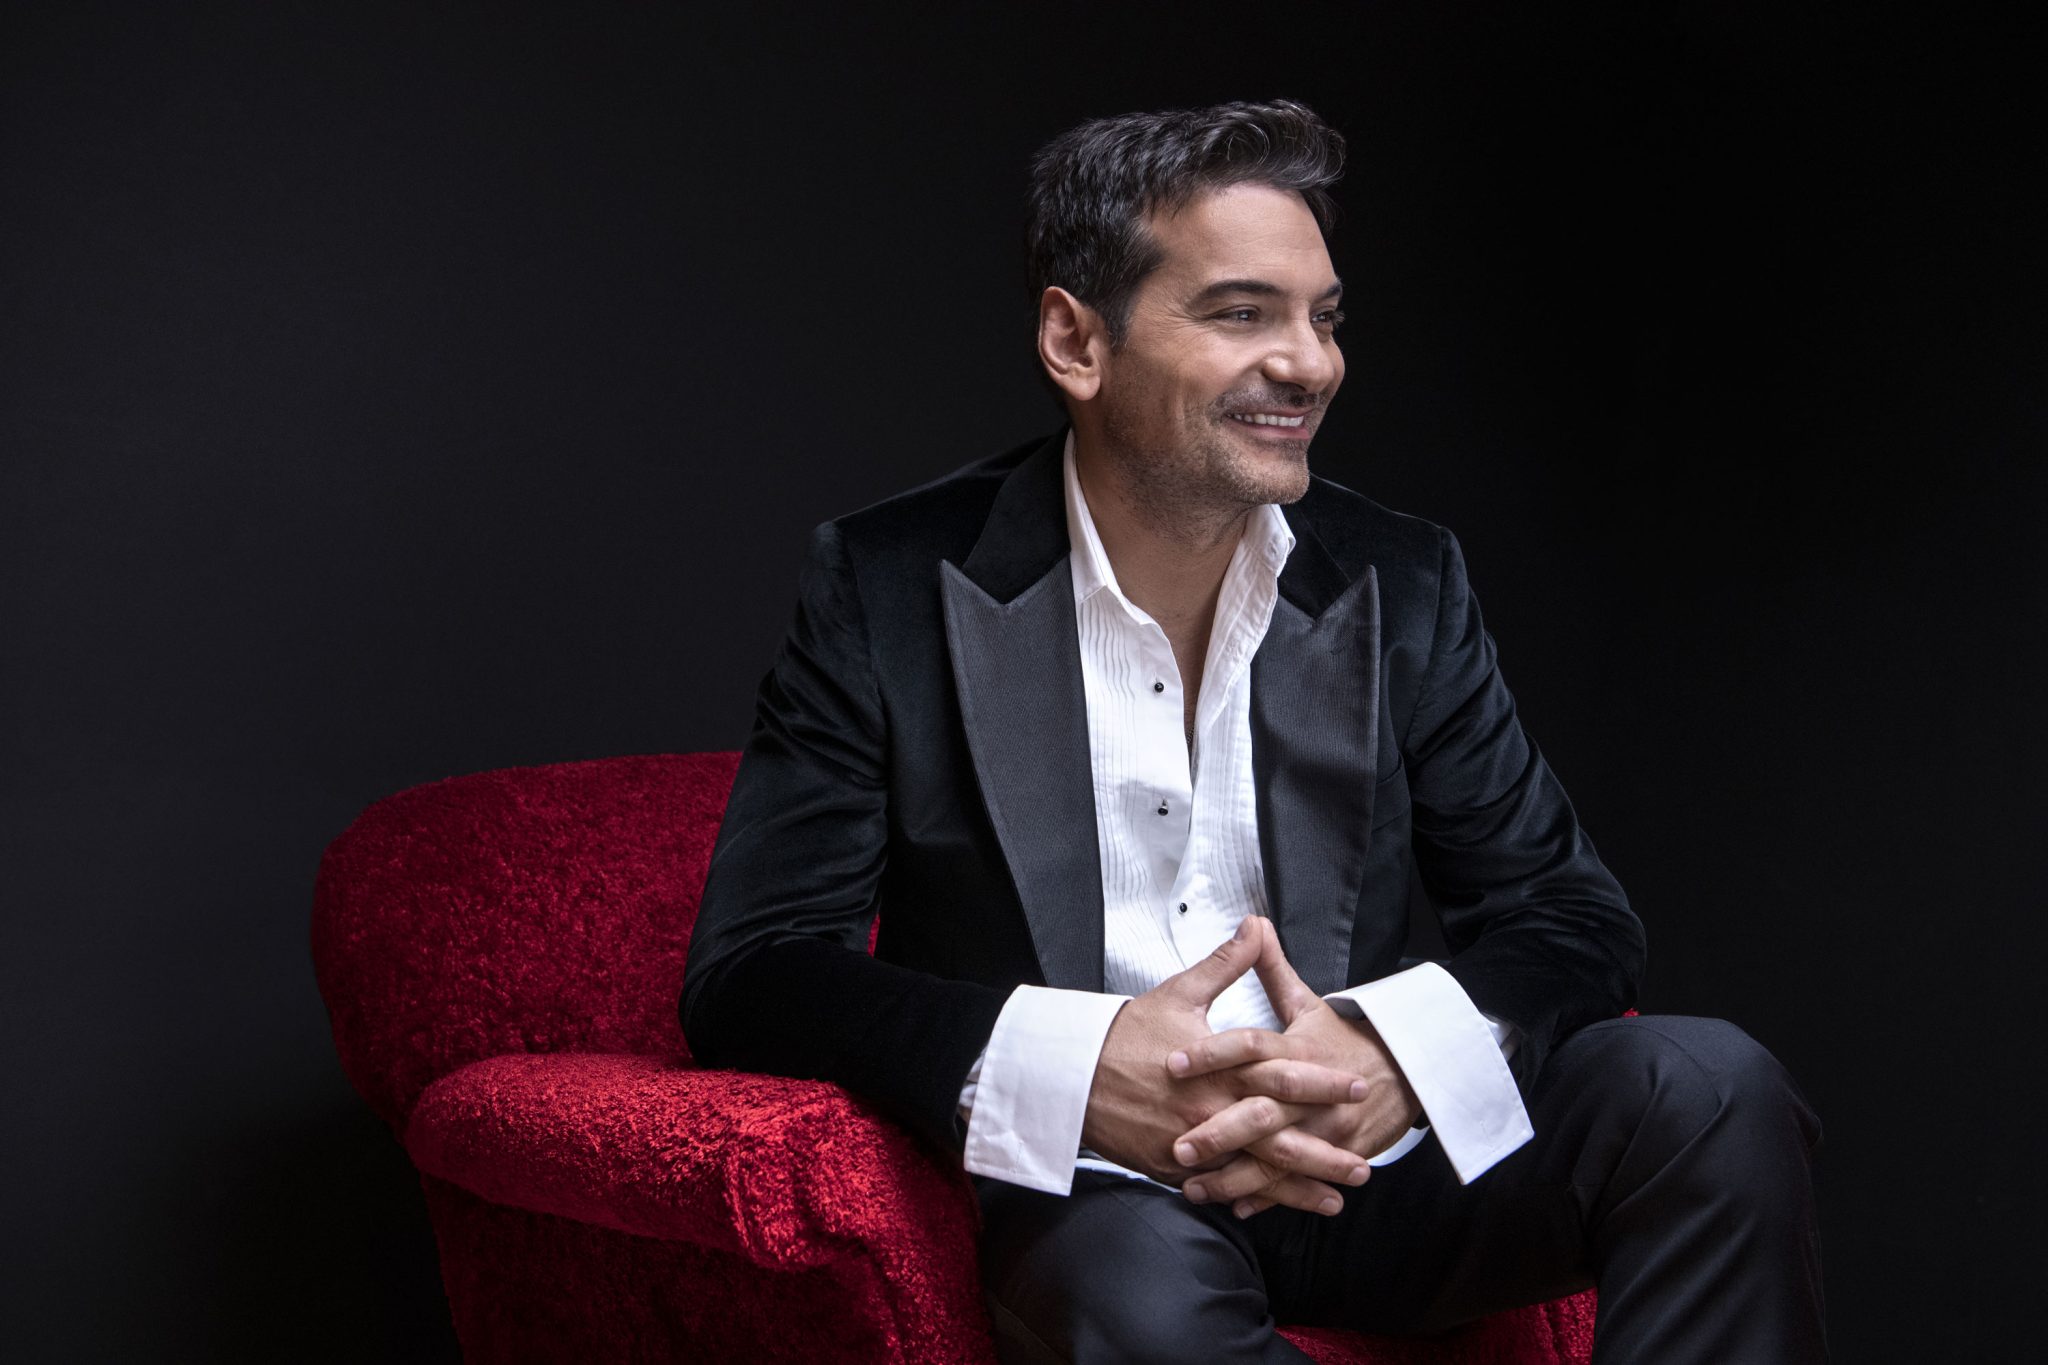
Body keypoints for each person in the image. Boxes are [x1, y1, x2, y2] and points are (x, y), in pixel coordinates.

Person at [681, 99, 1825, 1363]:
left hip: (1371, 1159)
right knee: (1132, 1292)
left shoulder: (1399, 578)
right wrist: (1082, 1067)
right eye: (1241, 314)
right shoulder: (890, 583)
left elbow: (1566, 915)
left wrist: (1391, 1053)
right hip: (1100, 1192)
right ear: (1075, 340)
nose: (1308, 365)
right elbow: (755, 971)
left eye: (1322, 318)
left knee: (1704, 1087)